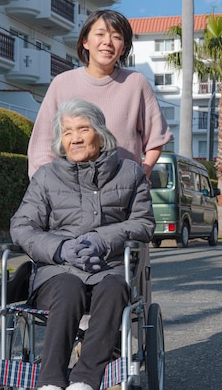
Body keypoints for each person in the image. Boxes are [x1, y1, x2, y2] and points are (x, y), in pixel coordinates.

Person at [10, 98, 156, 390]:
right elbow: (22, 227)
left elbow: (144, 223)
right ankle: (50, 380)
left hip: (109, 268)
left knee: (115, 288)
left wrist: (101, 240)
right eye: (67, 132)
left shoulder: (130, 172)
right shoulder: (46, 177)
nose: (75, 138)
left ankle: (85, 379)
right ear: (60, 141)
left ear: (100, 133)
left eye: (83, 128)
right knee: (68, 286)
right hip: (57, 273)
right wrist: (60, 249)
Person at [27, 9, 173, 179]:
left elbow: (155, 139)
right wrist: (48, 186)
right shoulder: (62, 83)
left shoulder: (136, 83)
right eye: (100, 34)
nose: (108, 42)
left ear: (123, 48)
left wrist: (142, 175)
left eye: (116, 37)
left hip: (122, 194)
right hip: (70, 193)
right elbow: (42, 143)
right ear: (85, 42)